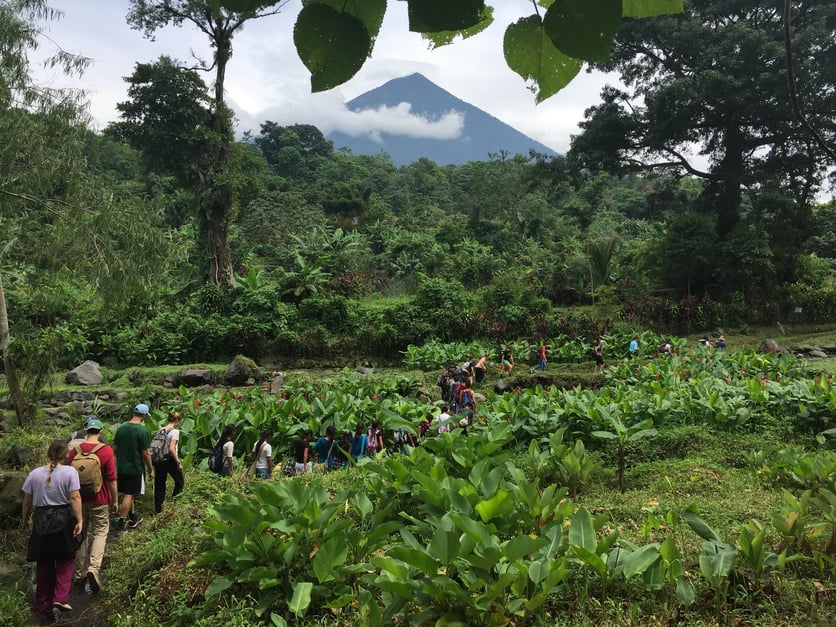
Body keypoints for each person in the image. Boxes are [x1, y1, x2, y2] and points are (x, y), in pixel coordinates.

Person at [21, 440, 83, 623]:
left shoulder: (34, 474)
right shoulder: (70, 472)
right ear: (66, 455)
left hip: (41, 519)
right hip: (64, 519)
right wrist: (79, 520)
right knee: (65, 557)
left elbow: (27, 500)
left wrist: (25, 521)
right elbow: (75, 496)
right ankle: (60, 598)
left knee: (44, 561)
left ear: (48, 454)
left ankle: (43, 604)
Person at [66, 419, 117, 595]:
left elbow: (67, 475)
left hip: (79, 500)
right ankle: (93, 568)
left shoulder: (75, 451)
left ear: (85, 430)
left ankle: (78, 574)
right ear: (101, 431)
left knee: (80, 533)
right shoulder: (106, 451)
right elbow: (111, 479)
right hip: (100, 499)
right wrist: (114, 500)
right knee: (101, 532)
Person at [113, 403, 153, 533]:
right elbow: (146, 453)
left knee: (128, 494)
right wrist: (150, 469)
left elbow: (115, 448)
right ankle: (121, 522)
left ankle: (133, 517)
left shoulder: (122, 427)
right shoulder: (143, 431)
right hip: (135, 468)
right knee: (129, 495)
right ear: (144, 415)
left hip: (121, 467)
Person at [153, 411, 184, 515]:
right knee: (180, 482)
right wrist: (178, 462)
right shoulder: (175, 432)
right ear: (177, 421)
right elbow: (171, 449)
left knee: (159, 484)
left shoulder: (161, 430)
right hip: (170, 460)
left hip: (159, 460)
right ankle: (175, 504)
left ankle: (158, 509)